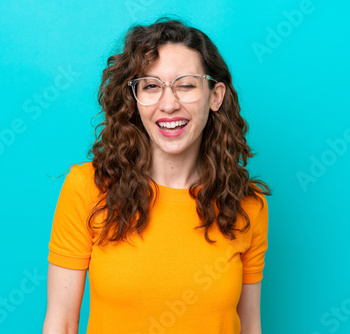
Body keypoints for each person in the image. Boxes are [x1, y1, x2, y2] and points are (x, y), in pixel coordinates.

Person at [42, 17, 271, 334]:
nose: (168, 104)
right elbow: (62, 324)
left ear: (215, 96)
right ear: (134, 100)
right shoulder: (88, 188)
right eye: (151, 86)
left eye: (186, 85)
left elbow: (250, 326)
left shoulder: (247, 206)